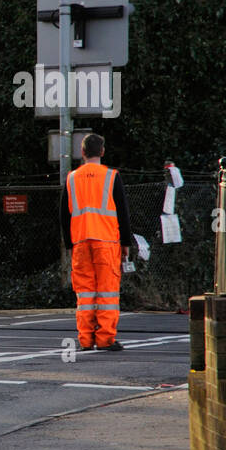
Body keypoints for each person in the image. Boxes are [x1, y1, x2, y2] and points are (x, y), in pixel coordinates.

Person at [59, 133, 135, 351]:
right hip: (107, 241)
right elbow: (123, 213)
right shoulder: (111, 176)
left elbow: (64, 214)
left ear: (82, 153)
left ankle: (85, 339)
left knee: (85, 293)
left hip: (81, 242)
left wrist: (69, 244)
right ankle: (105, 339)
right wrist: (126, 243)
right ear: (102, 152)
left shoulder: (72, 178)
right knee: (107, 291)